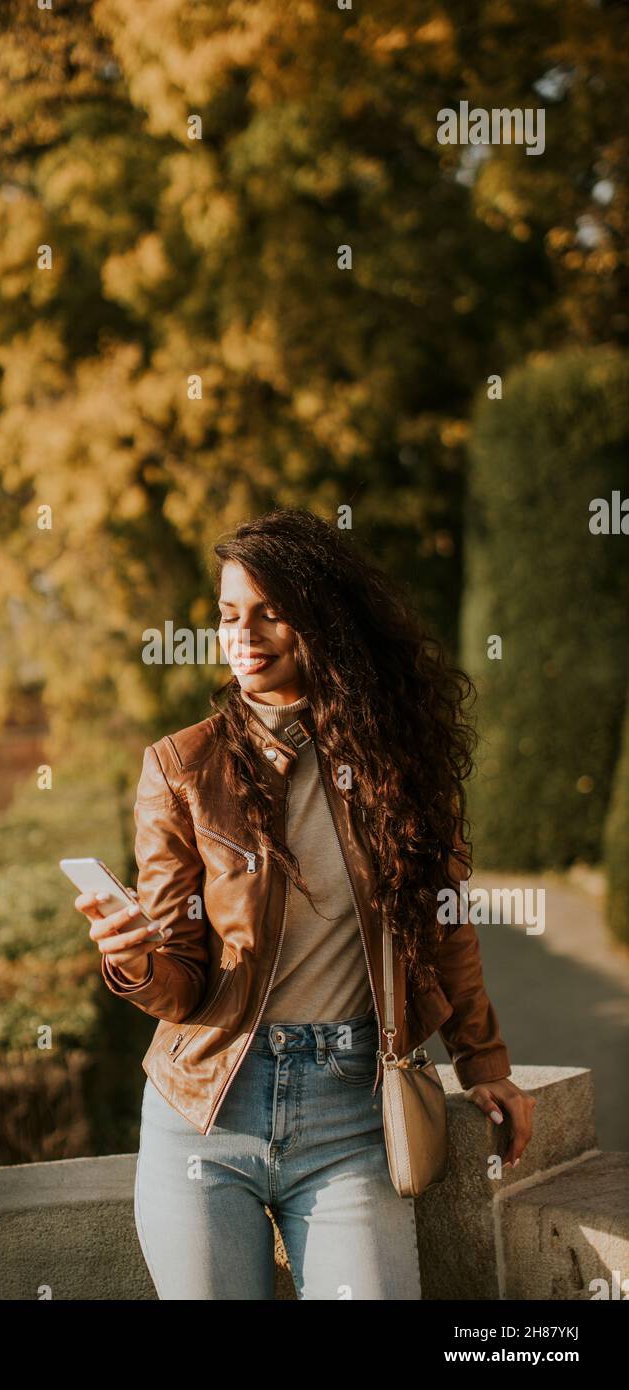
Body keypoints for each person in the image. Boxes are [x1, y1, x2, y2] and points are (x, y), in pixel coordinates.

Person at [75, 507, 535, 1300]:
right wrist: (132, 960)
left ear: (323, 620)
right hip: (205, 1112)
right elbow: (181, 982)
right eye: (227, 614)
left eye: (270, 610)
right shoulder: (182, 767)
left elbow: (444, 926)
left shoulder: (399, 762)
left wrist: (483, 1060)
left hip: (352, 1112)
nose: (243, 632)